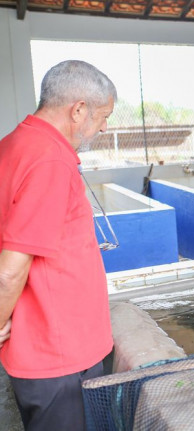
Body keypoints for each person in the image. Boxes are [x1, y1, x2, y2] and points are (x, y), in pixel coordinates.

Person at [0, 60, 116, 430]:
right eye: (103, 116)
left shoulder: (15, 144)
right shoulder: (49, 159)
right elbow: (11, 268)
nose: (104, 126)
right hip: (59, 352)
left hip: (44, 345)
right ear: (78, 109)